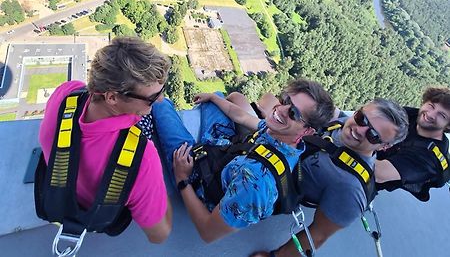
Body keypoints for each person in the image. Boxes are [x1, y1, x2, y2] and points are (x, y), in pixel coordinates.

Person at [151, 78, 334, 243]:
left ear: (308, 131)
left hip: (196, 176)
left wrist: (182, 180)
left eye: (294, 113)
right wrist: (213, 98)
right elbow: (243, 117)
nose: (281, 110)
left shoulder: (257, 183)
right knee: (216, 96)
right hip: (222, 151)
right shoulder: (279, 135)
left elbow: (208, 231)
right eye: (285, 101)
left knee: (159, 103)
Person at [38, 37, 172, 243]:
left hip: (57, 199)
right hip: (97, 219)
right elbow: (159, 235)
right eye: (152, 98)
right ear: (112, 98)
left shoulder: (65, 94)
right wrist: (162, 186)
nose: (161, 100)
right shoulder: (142, 158)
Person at [252, 98, 409, 257]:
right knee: (238, 99)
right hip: (266, 148)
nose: (359, 130)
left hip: (263, 185)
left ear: (385, 146)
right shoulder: (340, 124)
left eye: (374, 135)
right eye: (362, 118)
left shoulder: (352, 189)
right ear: (357, 111)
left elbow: (317, 235)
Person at [375, 86, 450, 201]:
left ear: (448, 126)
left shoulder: (428, 158)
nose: (430, 115)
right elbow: (374, 117)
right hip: (368, 152)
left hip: (369, 180)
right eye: (431, 106)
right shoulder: (411, 115)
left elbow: (379, 173)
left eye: (442, 115)